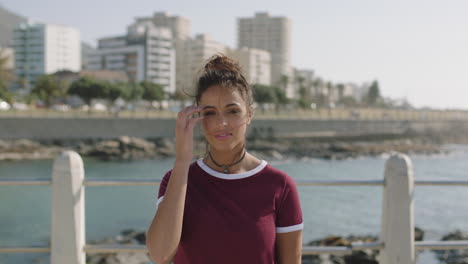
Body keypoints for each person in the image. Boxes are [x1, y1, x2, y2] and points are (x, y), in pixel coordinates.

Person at [146, 54, 303, 264]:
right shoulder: (177, 180)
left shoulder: (280, 186)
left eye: (232, 111)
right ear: (198, 118)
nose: (221, 122)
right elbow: (160, 254)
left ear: (249, 114)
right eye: (210, 113)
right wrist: (182, 161)